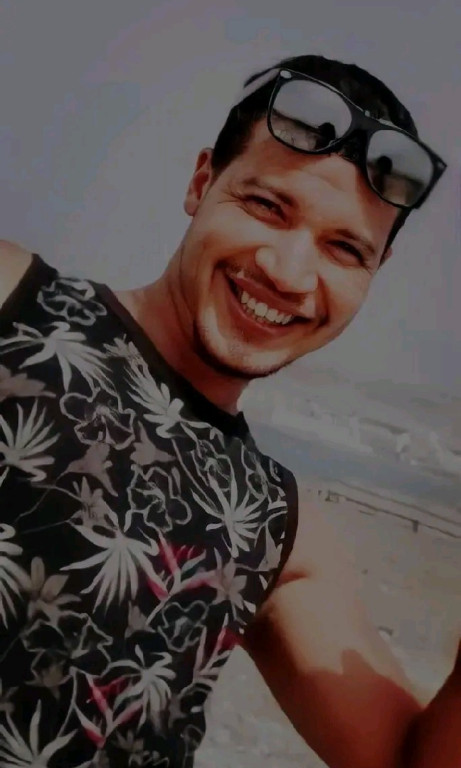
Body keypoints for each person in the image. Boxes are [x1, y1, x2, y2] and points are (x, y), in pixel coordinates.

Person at [0, 54, 458, 768]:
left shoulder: (279, 529)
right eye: (268, 207)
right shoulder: (15, 300)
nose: (288, 273)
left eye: (344, 248)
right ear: (200, 182)